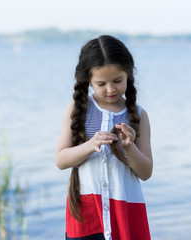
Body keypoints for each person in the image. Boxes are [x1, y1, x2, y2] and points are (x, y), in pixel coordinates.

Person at [55, 35, 153, 240]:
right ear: (88, 80)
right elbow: (61, 160)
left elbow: (146, 172)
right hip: (86, 213)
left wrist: (129, 148)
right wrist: (90, 145)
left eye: (118, 81)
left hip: (126, 211)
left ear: (128, 74)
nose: (111, 89)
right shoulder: (77, 109)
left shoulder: (139, 115)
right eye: (101, 83)